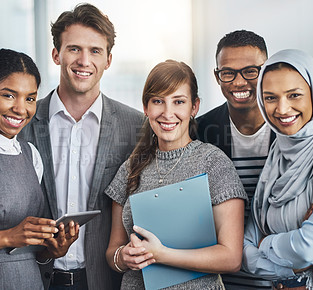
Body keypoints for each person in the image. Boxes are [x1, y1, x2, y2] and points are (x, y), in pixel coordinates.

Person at [19, 3, 144, 290]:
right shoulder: (22, 123)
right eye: (74, 48)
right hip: (34, 277)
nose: (83, 60)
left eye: (95, 51)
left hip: (103, 279)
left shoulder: (135, 127)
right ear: (56, 54)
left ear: (108, 60)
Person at [105, 60, 248, 289]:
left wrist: (161, 255)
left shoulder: (214, 163)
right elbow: (113, 251)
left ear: (194, 107)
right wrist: (123, 257)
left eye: (178, 101)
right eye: (158, 101)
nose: (167, 113)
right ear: (146, 108)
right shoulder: (130, 168)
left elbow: (231, 258)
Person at [0, 48, 78, 289]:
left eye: (30, 98)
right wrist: (8, 236)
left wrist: (52, 249)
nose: (22, 109)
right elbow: (14, 237)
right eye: (9, 96)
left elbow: (33, 250)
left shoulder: (31, 154)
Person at [242, 49, 313, 290]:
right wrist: (293, 262)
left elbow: (309, 248)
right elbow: (244, 253)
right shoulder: (278, 152)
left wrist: (265, 244)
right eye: (270, 98)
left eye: (294, 95)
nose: (282, 109)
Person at [196, 29, 275, 289]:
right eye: (228, 73)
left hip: (281, 277)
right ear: (217, 76)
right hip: (219, 280)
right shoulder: (199, 131)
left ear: (267, 70)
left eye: (250, 71)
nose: (239, 82)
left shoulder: (292, 129)